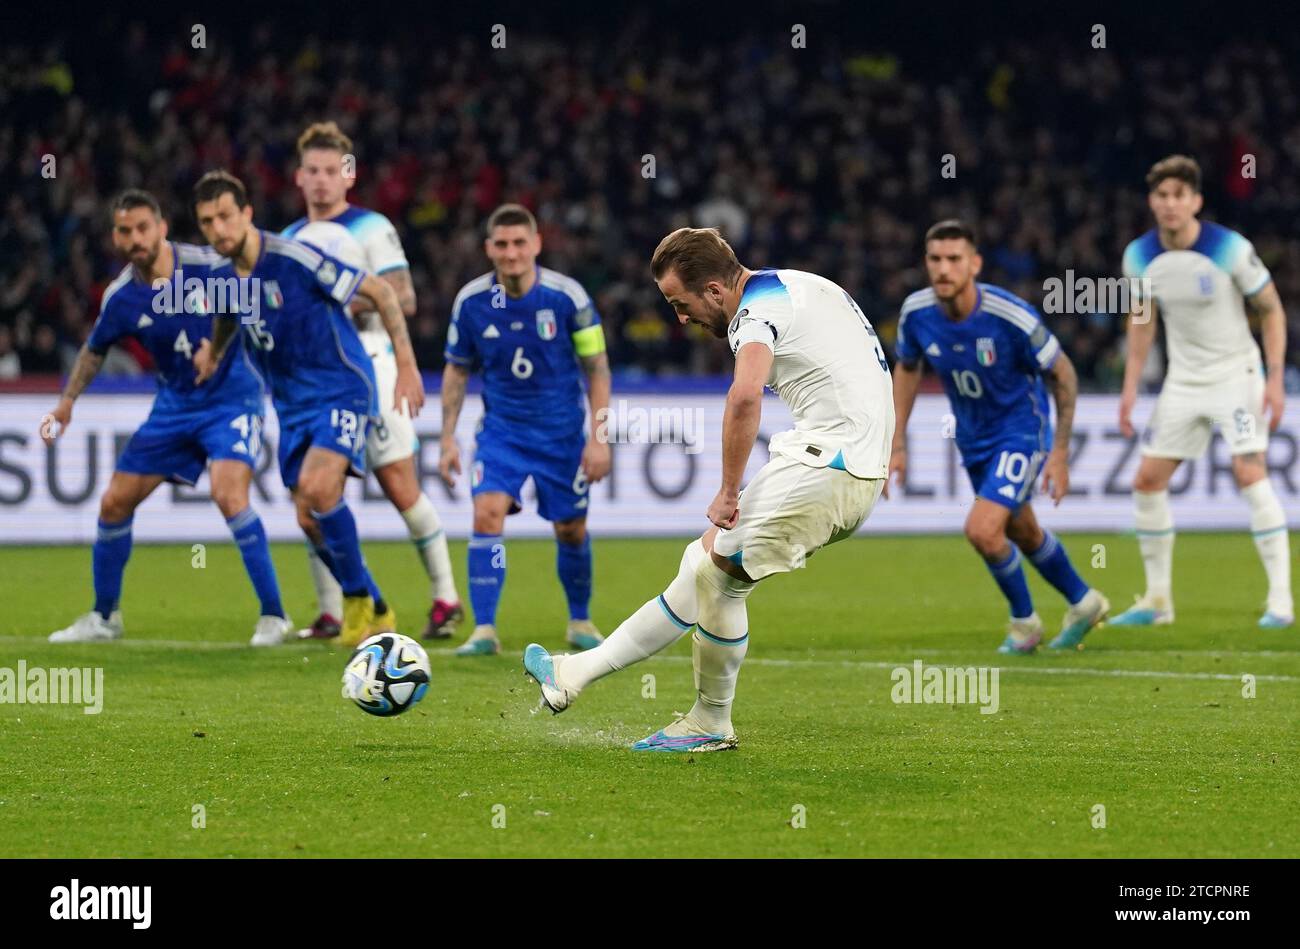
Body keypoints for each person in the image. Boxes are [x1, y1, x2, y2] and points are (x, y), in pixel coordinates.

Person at [522, 226, 894, 751]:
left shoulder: (754, 314)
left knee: (718, 577)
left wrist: (727, 490)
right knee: (701, 565)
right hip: (847, 464)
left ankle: (710, 722)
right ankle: (573, 673)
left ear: (716, 291)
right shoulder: (800, 285)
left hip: (829, 465)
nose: (680, 318)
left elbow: (744, 396)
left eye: (680, 303)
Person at [192, 170, 425, 647]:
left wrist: (406, 365)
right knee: (306, 517)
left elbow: (380, 292)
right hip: (292, 403)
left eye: (225, 216)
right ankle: (379, 606)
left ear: (247, 214)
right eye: (207, 221)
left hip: (341, 386)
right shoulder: (221, 278)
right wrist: (214, 353)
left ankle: (356, 603)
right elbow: (226, 318)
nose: (218, 229)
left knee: (320, 489)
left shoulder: (293, 258)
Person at [46, 189, 287, 646]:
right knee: (114, 502)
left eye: (142, 227)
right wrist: (68, 401)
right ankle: (104, 617)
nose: (134, 238)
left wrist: (216, 351)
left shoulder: (208, 267)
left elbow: (250, 308)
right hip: (174, 406)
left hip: (232, 398)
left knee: (228, 493)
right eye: (124, 230)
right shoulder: (121, 297)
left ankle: (274, 615)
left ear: (161, 228)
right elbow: (94, 350)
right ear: (115, 236)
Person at [889, 219, 1109, 653]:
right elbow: (909, 367)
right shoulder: (916, 314)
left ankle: (1024, 624)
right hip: (974, 439)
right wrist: (896, 441)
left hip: (1021, 431)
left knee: (983, 530)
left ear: (975, 264)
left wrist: (1059, 452)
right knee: (1023, 531)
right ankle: (1085, 602)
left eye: (954, 259)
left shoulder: (1008, 316)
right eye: (935, 259)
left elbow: (1063, 374)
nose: (943, 269)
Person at [1113, 155, 1292, 629]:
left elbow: (1271, 311)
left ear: (1196, 201)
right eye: (1162, 196)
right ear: (1152, 202)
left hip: (1236, 373)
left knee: (1247, 470)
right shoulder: (1138, 256)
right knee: (1147, 480)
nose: (1170, 205)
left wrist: (1274, 379)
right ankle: (1157, 602)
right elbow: (1142, 321)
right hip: (1184, 380)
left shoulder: (1229, 248)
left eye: (1179, 196)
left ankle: (1281, 601)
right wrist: (1130, 388)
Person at [439, 204, 611, 657]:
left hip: (562, 436)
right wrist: (446, 437)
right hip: (502, 435)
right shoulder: (471, 302)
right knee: (485, 516)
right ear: (488, 249)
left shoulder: (567, 297)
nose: (511, 252)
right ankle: (484, 629)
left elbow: (597, 368)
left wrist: (600, 436)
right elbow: (456, 372)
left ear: (536, 244)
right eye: (502, 244)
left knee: (571, 529)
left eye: (520, 243)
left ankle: (579, 619)